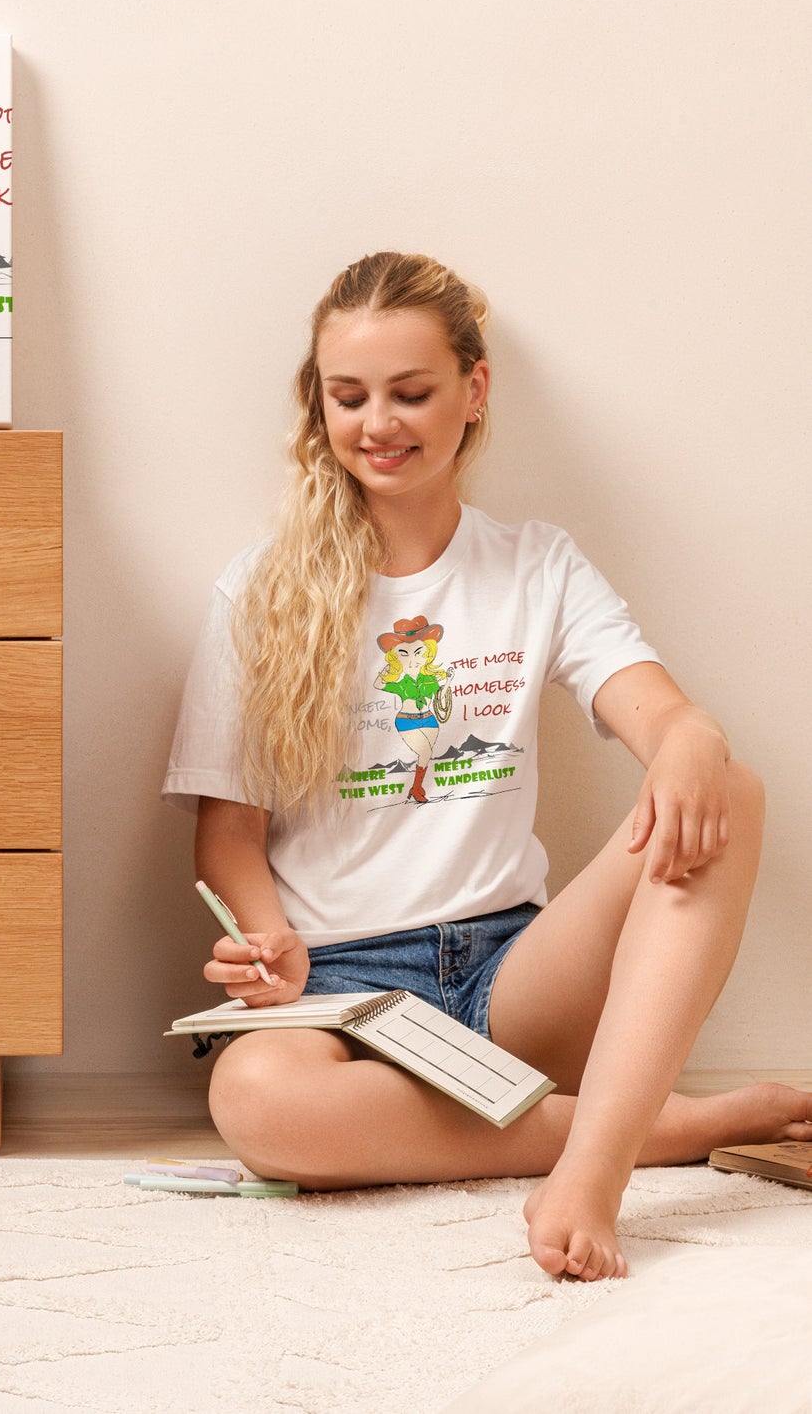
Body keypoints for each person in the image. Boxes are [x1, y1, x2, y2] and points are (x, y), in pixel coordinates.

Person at [161, 251, 810, 1282]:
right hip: (340, 992)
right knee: (254, 1101)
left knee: (725, 787)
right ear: (317, 406)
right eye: (348, 395)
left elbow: (653, 708)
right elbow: (227, 830)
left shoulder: (533, 565)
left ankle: (590, 1167)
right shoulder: (257, 589)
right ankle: (652, 1125)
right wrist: (266, 936)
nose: (378, 422)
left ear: (473, 390)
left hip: (514, 980)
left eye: (410, 391)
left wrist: (687, 735)